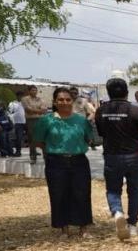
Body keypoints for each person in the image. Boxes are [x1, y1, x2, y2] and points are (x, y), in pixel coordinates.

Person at [96, 78, 138, 240]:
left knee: (113, 189)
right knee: (134, 191)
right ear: (127, 92)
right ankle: (132, 225)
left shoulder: (100, 111)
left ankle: (117, 212)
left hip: (112, 157)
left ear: (109, 93)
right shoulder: (136, 111)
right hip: (135, 157)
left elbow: (101, 133)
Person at [33, 87, 95, 238]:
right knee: (58, 194)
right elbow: (38, 141)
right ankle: (64, 229)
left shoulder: (81, 120)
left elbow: (89, 138)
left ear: (72, 101)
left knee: (82, 193)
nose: (64, 102)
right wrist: (53, 149)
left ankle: (83, 228)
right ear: (55, 101)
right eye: (60, 99)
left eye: (68, 99)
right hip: (56, 162)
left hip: (79, 161)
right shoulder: (46, 120)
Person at [22, 85, 46, 164]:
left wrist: (35, 111)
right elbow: (28, 110)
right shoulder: (25, 99)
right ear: (29, 91)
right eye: (32, 90)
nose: (34, 92)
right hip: (31, 120)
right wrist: (39, 111)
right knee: (32, 139)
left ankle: (46, 157)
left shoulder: (40, 99)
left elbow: (44, 109)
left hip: (41, 120)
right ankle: (33, 157)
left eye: (35, 90)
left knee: (43, 139)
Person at [8, 90, 27, 156]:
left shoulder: (26, 103)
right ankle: (18, 151)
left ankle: (33, 151)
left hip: (27, 122)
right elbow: (9, 113)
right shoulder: (12, 103)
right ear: (17, 96)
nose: (21, 97)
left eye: (22, 96)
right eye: (20, 96)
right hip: (18, 123)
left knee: (31, 138)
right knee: (19, 138)